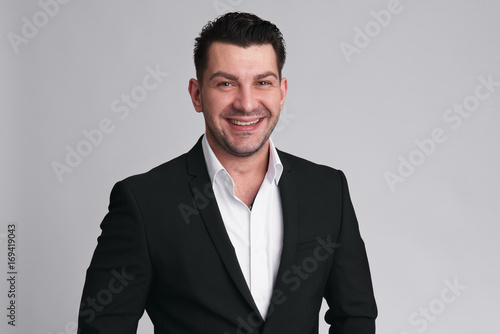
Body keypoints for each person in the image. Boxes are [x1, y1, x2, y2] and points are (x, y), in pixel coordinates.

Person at [78, 12, 377, 334]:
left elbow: (355, 317)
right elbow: (103, 327)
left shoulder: (327, 190)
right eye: (226, 83)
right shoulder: (144, 202)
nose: (247, 104)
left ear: (282, 92)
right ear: (197, 94)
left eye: (262, 82)